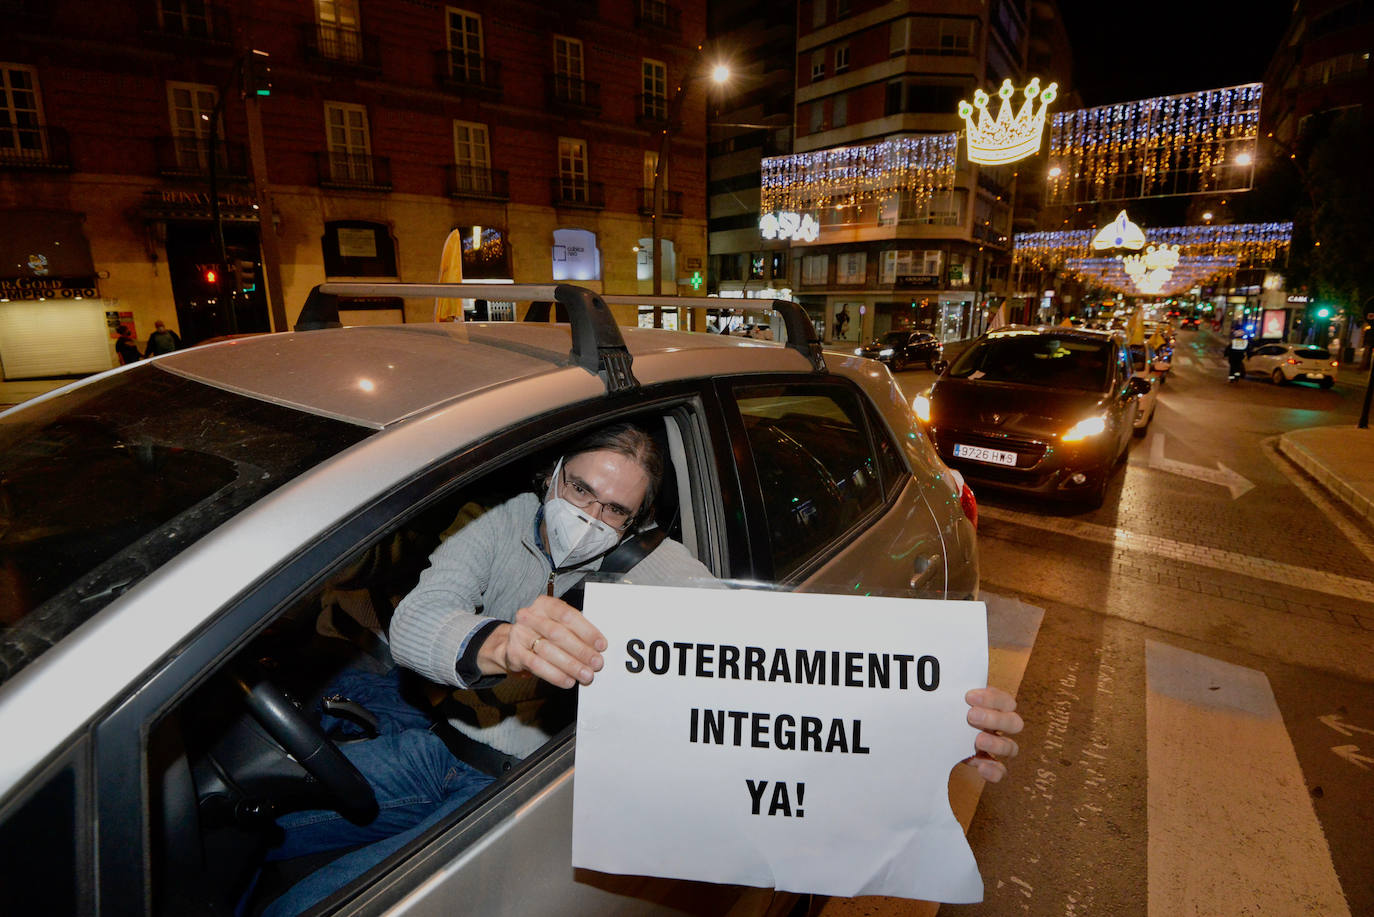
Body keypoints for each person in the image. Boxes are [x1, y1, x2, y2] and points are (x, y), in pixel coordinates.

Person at [267, 422, 1023, 914]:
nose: (587, 516)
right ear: (553, 473)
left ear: (637, 522)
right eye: (579, 490)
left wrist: (930, 726)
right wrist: (503, 643)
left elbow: (780, 669)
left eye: (613, 511)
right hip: (443, 740)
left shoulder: (663, 572)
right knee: (260, 830)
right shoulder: (500, 525)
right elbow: (417, 620)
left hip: (510, 794)